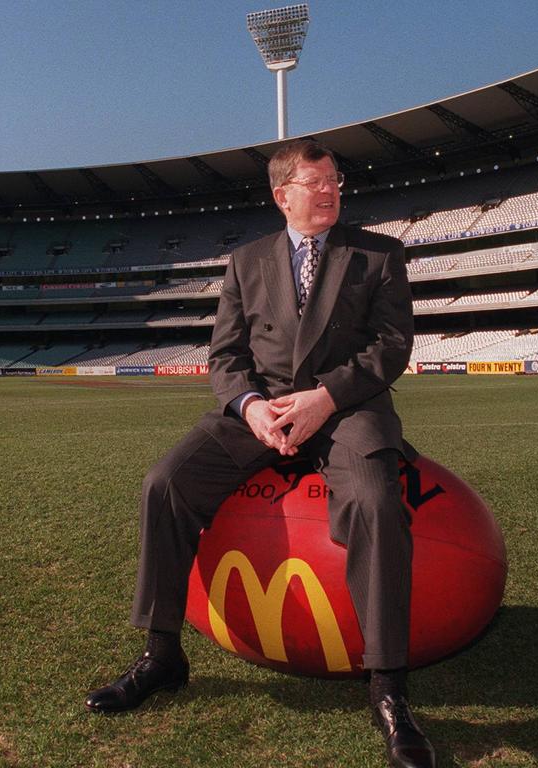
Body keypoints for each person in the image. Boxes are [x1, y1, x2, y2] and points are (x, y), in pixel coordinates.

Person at [85, 139, 435, 768]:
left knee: (378, 503)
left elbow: (391, 345)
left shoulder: (380, 253)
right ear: (282, 194)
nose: (329, 191)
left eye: (335, 180)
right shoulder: (246, 261)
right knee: (164, 483)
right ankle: (162, 652)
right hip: (262, 411)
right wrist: (250, 407)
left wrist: (323, 400)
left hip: (345, 408)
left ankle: (387, 688)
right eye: (314, 182)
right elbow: (225, 357)